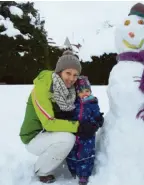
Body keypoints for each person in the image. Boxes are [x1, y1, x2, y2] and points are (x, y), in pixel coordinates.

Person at [19, 50, 97, 183]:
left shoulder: (69, 91)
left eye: (75, 75)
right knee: (67, 139)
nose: (72, 78)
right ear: (59, 71)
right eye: (68, 73)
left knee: (73, 135)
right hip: (33, 136)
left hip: (49, 133)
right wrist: (79, 126)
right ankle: (41, 170)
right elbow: (49, 123)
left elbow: (78, 109)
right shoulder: (43, 87)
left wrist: (94, 117)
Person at [54, 76, 104, 185]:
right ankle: (73, 170)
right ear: (76, 92)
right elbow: (68, 115)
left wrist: (98, 121)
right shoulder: (73, 104)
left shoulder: (93, 103)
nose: (84, 93)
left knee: (86, 154)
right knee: (72, 153)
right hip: (74, 134)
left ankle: (84, 175)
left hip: (87, 136)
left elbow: (97, 117)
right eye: (81, 91)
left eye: (87, 90)